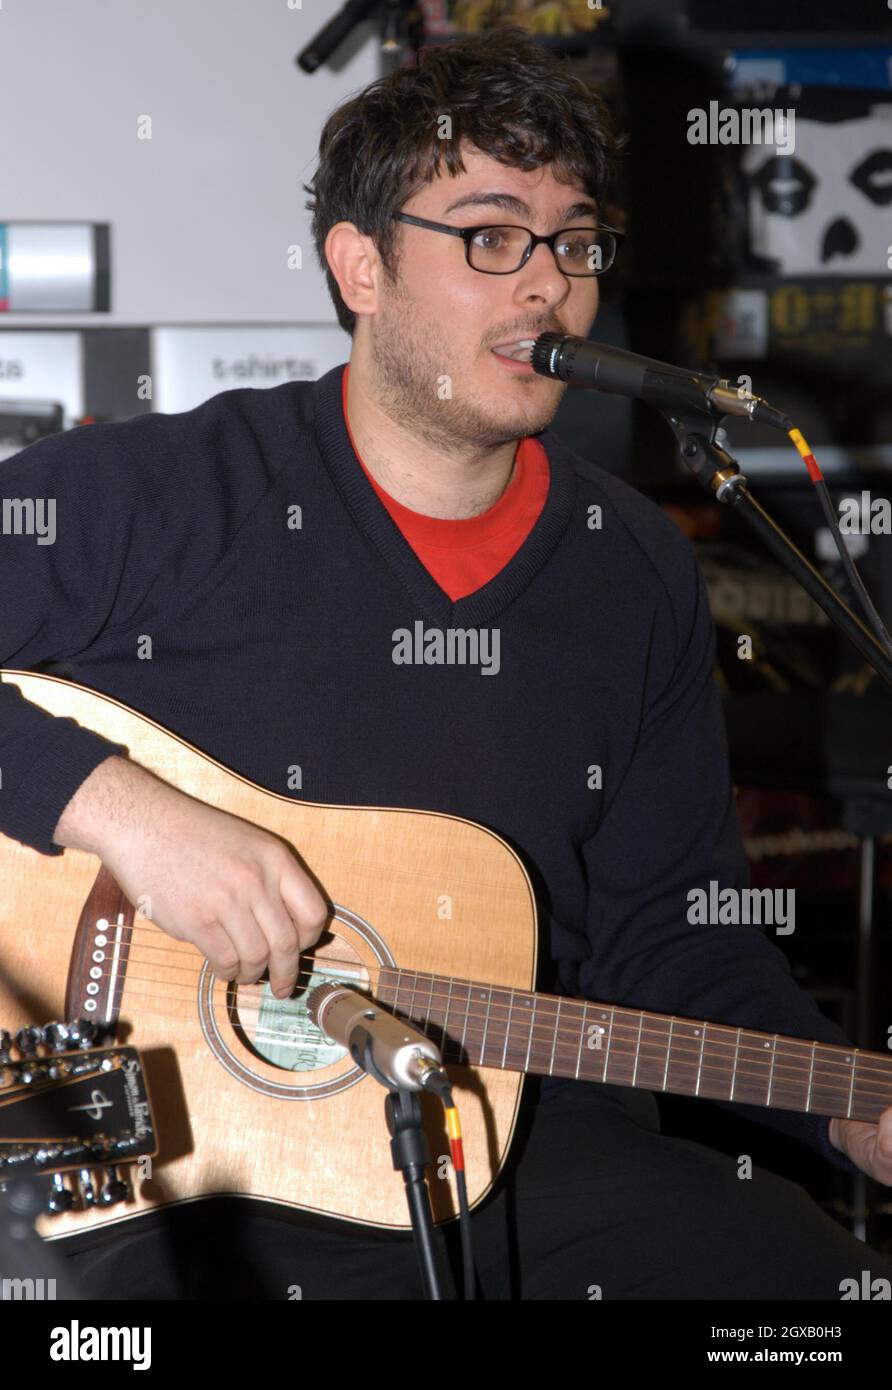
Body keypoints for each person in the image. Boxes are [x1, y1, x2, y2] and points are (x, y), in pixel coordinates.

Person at [1, 27, 890, 1300]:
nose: (546, 290)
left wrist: (844, 1107)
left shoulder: (629, 566)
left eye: (572, 243)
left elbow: (675, 942)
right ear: (359, 267)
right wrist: (129, 815)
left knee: (810, 1293)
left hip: (510, 1148)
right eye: (489, 236)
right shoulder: (166, 491)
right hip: (164, 1179)